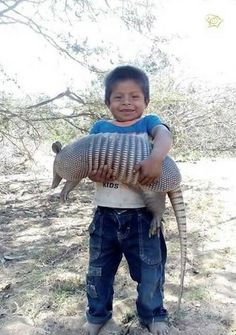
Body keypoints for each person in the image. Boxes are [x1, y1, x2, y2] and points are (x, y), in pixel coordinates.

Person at [84, 65, 172, 335]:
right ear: (107, 101)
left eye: (134, 97)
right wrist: (92, 173)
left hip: (141, 214)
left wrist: (156, 158)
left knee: (149, 272)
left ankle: (153, 313)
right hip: (105, 214)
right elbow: (88, 160)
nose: (127, 103)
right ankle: (98, 314)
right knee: (98, 270)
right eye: (118, 97)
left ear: (146, 101)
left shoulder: (148, 124)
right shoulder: (99, 127)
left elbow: (165, 136)